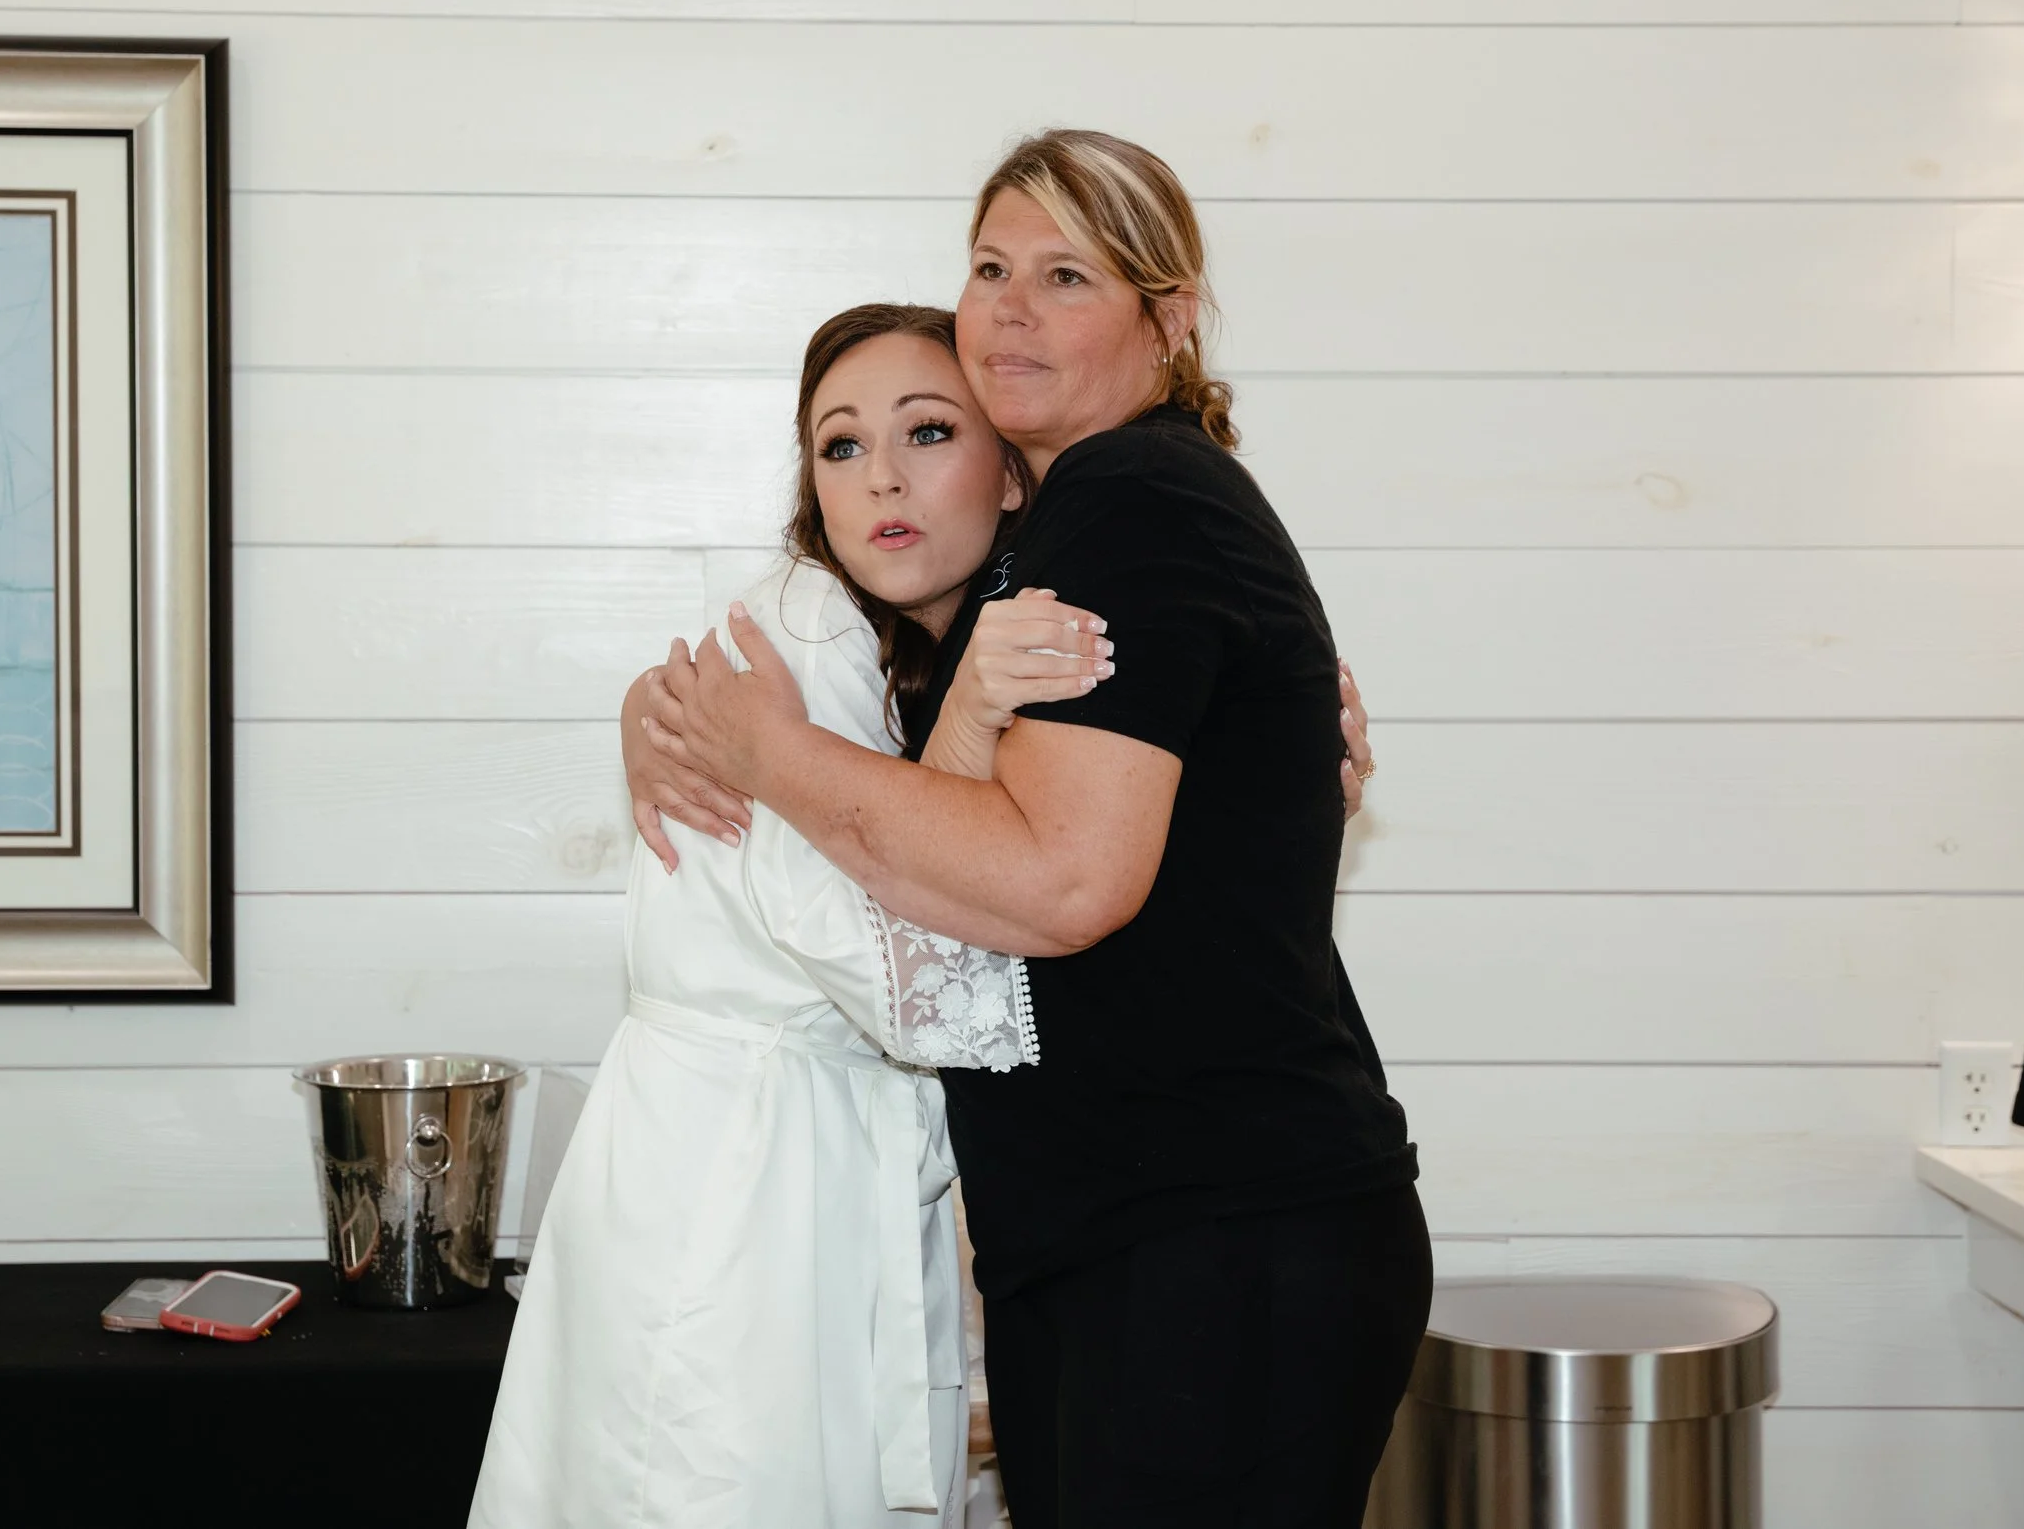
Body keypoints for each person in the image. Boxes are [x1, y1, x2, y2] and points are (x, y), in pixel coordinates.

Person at [639, 130, 1429, 1528]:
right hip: (1161, 1238)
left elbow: (1064, 882)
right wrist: (663, 709)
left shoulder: (1131, 495)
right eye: (989, 266)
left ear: (1169, 321)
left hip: (1212, 1238)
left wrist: (773, 751)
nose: (1007, 306)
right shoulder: (1077, 530)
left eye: (1065, 274)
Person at [470, 303, 1105, 1529]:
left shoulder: (892, 649)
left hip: (741, 1168)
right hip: (746, 1192)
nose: (883, 479)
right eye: (840, 446)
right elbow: (914, 981)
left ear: (1010, 471)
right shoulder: (808, 634)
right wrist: (970, 724)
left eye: (927, 431)